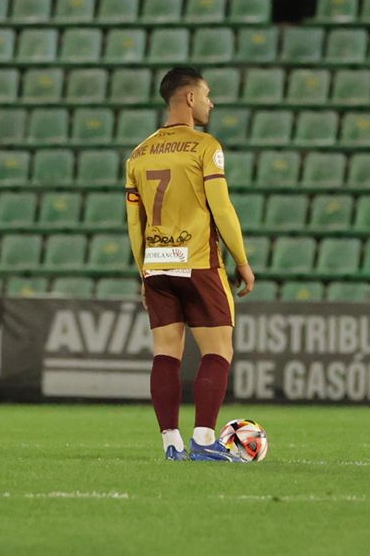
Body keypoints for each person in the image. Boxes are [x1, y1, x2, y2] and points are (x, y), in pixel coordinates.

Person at [125, 66, 254, 462]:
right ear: (190, 98)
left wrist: (143, 273)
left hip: (157, 262)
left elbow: (135, 222)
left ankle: (171, 444)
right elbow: (222, 206)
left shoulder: (139, 154)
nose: (212, 102)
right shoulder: (205, 147)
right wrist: (242, 261)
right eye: (208, 94)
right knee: (219, 350)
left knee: (166, 352)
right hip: (197, 259)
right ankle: (202, 438)